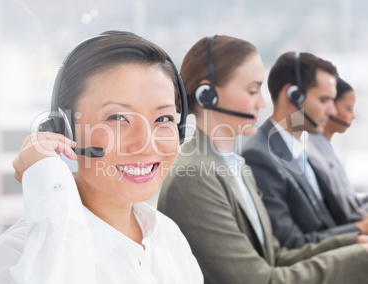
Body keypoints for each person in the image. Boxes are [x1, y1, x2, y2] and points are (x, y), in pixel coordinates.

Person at [0, 30, 203, 283]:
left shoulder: (168, 236)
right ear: (65, 128)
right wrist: (46, 177)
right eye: (118, 118)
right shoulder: (16, 255)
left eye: (163, 118)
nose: (145, 143)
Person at [157, 35, 368, 283]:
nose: (262, 102)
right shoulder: (194, 178)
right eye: (253, 90)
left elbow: (275, 256)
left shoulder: (237, 167)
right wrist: (361, 256)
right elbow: (259, 280)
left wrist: (357, 243)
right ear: (208, 95)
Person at [241, 52, 368, 249]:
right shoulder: (259, 156)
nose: (332, 111)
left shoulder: (299, 149)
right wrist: (359, 229)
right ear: (292, 95)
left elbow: (329, 218)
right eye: (324, 100)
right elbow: (292, 243)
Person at [308, 77, 368, 220]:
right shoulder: (312, 153)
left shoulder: (325, 148)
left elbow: (351, 203)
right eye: (348, 109)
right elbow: (342, 212)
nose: (352, 116)